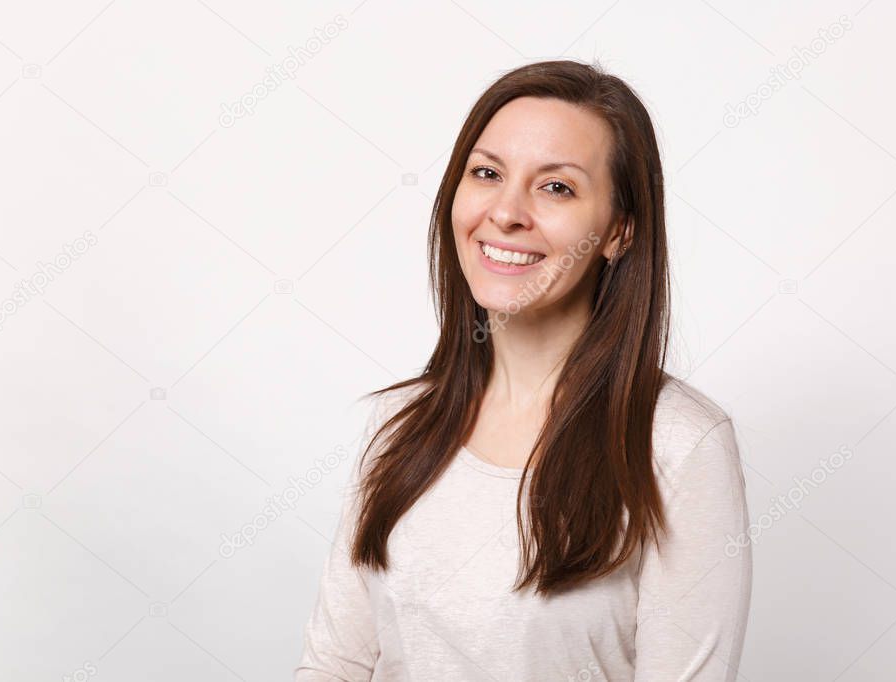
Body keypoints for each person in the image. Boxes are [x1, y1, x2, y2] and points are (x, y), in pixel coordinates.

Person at [294, 59, 752, 681]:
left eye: (556, 187)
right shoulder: (397, 425)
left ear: (619, 231)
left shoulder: (678, 444)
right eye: (487, 173)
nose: (506, 213)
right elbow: (335, 666)